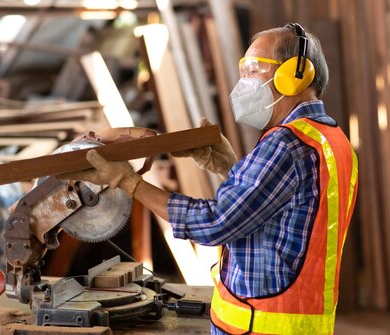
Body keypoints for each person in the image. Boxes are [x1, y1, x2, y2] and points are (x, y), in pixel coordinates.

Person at [60, 23, 358, 335]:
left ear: (293, 76)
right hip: (296, 321)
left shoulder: (285, 145)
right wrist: (229, 167)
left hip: (257, 325)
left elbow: (214, 224)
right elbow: (282, 212)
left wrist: (128, 181)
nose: (242, 81)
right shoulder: (330, 139)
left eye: (254, 68)